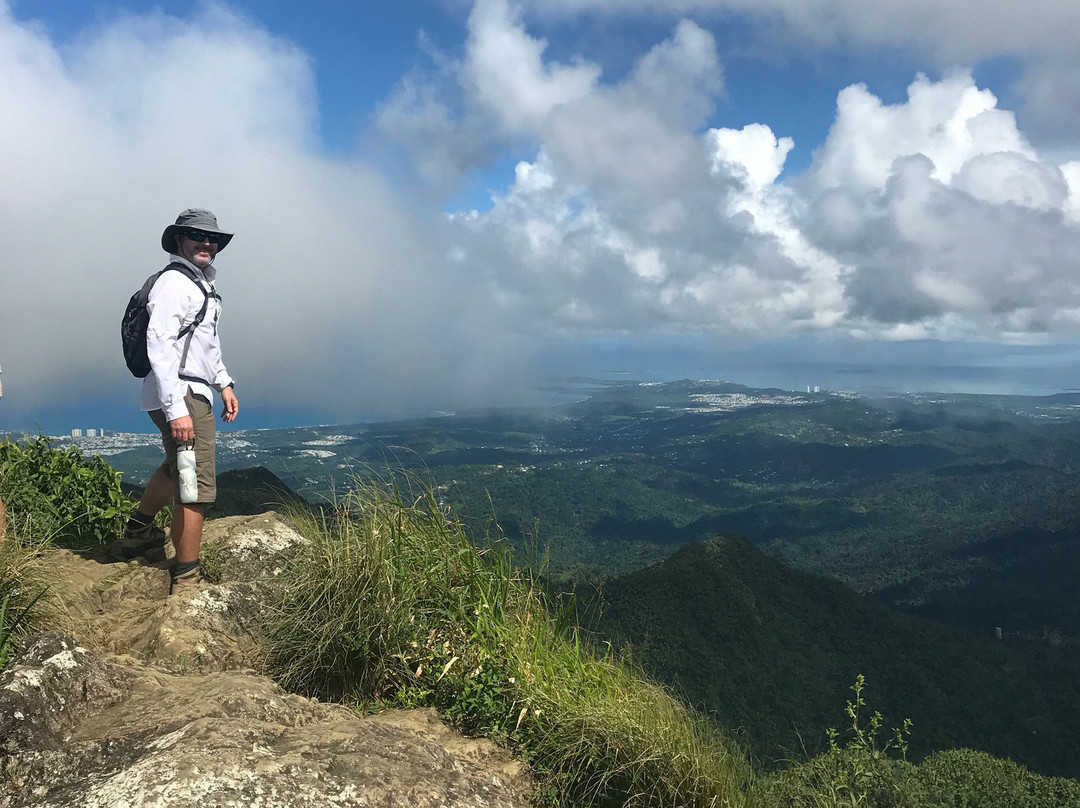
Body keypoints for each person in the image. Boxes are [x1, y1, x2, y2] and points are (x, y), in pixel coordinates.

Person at [106, 209, 239, 594]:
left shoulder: (198, 287)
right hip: (179, 393)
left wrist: (223, 382)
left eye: (212, 239)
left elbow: (204, 345)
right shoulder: (175, 284)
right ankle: (186, 576)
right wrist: (177, 408)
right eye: (198, 236)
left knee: (176, 466)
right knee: (194, 483)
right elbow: (160, 344)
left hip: (182, 390)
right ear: (180, 240)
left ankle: (139, 532)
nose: (207, 243)